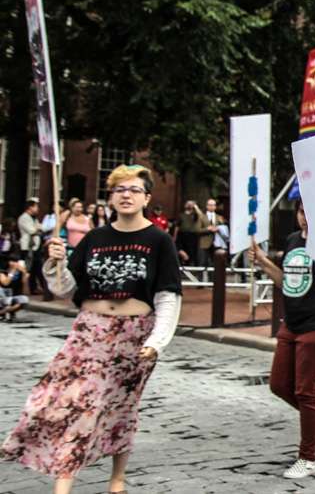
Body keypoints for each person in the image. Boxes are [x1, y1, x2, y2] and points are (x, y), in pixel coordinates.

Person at [1, 165, 182, 493]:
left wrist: (158, 341)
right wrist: (54, 261)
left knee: (121, 406)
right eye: (118, 190)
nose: (126, 195)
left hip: (134, 336)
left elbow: (168, 294)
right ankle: (63, 485)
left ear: (147, 198)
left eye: (133, 190)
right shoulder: (95, 238)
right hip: (88, 332)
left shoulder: (158, 240)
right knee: (76, 403)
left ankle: (117, 479)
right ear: (110, 197)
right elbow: (64, 289)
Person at [247, 199, 315, 480]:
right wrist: (263, 262)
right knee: (278, 384)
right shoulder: (291, 240)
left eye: (311, 212)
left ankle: (308, 456)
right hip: (292, 323)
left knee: (306, 391)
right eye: (301, 212)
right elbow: (286, 280)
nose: (305, 218)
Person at [17, 200, 45, 298]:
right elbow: (32, 230)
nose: (37, 209)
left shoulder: (34, 219)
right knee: (26, 267)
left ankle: (35, 288)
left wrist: (38, 229)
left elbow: (42, 228)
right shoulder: (24, 218)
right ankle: (19, 289)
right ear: (30, 207)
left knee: (35, 268)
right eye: (36, 207)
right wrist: (38, 229)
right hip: (26, 247)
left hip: (34, 247)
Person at [1, 255, 30, 323]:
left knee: (23, 300)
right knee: (8, 300)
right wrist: (13, 271)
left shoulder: (19, 272)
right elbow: (6, 283)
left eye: (16, 262)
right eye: (12, 261)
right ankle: (3, 313)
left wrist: (24, 272)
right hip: (3, 295)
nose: (15, 263)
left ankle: (7, 312)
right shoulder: (3, 272)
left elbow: (25, 285)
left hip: (15, 294)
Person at [176, 200, 205, 266]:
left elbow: (201, 216)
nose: (189, 205)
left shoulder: (195, 215)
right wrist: (175, 237)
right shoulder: (181, 215)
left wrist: (195, 207)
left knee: (193, 253)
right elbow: (177, 227)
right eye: (188, 203)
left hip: (193, 236)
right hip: (182, 235)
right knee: (183, 252)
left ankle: (192, 266)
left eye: (191, 204)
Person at [197, 199, 223, 268]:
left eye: (213, 205)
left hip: (216, 243)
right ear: (207, 206)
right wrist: (207, 229)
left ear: (215, 207)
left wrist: (218, 228)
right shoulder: (202, 217)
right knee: (202, 262)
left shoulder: (219, 217)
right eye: (210, 205)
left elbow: (224, 229)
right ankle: (200, 278)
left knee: (215, 264)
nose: (212, 207)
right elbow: (197, 230)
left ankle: (213, 278)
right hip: (204, 243)